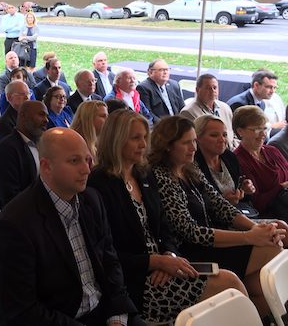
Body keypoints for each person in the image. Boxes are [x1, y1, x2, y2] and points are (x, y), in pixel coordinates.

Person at [88, 110, 246, 324]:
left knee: (233, 292)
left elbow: (165, 228)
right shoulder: (100, 184)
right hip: (135, 281)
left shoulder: (142, 174)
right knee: (229, 284)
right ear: (116, 140)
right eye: (136, 138)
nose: (143, 144)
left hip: (165, 266)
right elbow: (106, 253)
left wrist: (169, 255)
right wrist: (153, 262)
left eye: (145, 137)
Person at [0, 127, 141, 325]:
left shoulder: (92, 200)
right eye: (74, 161)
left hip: (102, 312)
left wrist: (117, 317)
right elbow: (22, 310)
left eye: (87, 159)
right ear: (46, 167)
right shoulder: (15, 224)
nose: (86, 169)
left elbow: (110, 262)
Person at [149, 115, 285, 316]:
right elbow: (190, 232)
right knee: (269, 250)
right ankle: (248, 308)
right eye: (187, 142)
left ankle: (258, 309)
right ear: (167, 145)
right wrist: (247, 236)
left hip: (209, 242)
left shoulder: (189, 168)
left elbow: (220, 204)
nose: (193, 148)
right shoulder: (160, 176)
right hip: (190, 252)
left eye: (194, 141)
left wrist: (253, 228)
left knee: (273, 245)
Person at [194, 115, 259, 218]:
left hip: (239, 214)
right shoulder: (193, 165)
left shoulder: (229, 157)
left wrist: (245, 190)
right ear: (198, 138)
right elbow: (196, 208)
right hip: (216, 223)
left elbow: (243, 195)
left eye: (224, 135)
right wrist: (222, 202)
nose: (222, 139)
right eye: (214, 135)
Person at [232, 106, 288, 220]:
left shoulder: (272, 150)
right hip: (272, 216)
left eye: (265, 128)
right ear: (240, 131)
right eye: (257, 130)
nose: (263, 134)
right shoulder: (238, 160)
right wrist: (280, 187)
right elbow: (257, 203)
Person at [0, 100, 47, 208]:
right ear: (22, 116)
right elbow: (9, 198)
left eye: (46, 116)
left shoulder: (41, 145)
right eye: (41, 115)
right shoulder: (6, 152)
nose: (46, 120)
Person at [180, 73, 238, 149]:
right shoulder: (188, 112)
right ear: (198, 90)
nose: (212, 91)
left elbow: (233, 134)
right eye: (208, 88)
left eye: (215, 88)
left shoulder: (225, 108)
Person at [70, 100, 108, 167]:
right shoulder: (75, 144)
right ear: (89, 118)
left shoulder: (101, 142)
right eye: (103, 116)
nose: (107, 119)